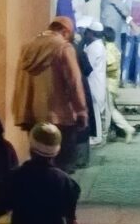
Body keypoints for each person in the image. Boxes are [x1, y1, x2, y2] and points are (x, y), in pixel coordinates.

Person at [12, 16, 88, 173]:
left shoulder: (28, 47)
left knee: (38, 160)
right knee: (62, 164)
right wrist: (81, 110)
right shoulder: (64, 48)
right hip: (60, 115)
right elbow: (74, 82)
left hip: (32, 114)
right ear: (65, 31)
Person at [103, 28, 136, 142]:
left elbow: (112, 65)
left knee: (110, 110)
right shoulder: (114, 48)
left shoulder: (108, 49)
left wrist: (101, 69)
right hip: (112, 84)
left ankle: (127, 128)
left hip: (108, 84)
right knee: (110, 110)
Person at [84, 22, 108, 145]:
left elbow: (88, 66)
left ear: (91, 33)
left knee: (95, 111)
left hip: (94, 82)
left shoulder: (95, 47)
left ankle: (97, 137)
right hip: (96, 81)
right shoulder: (97, 45)